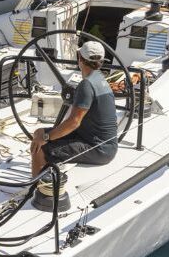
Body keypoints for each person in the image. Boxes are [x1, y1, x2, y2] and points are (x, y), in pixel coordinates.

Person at [30, 40, 118, 178]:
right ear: (101, 61)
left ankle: (37, 191)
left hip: (98, 148)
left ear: (80, 59)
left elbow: (74, 122)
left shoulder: (86, 85)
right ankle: (45, 175)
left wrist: (47, 137)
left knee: (39, 148)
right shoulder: (100, 79)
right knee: (38, 132)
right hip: (98, 141)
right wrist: (44, 135)